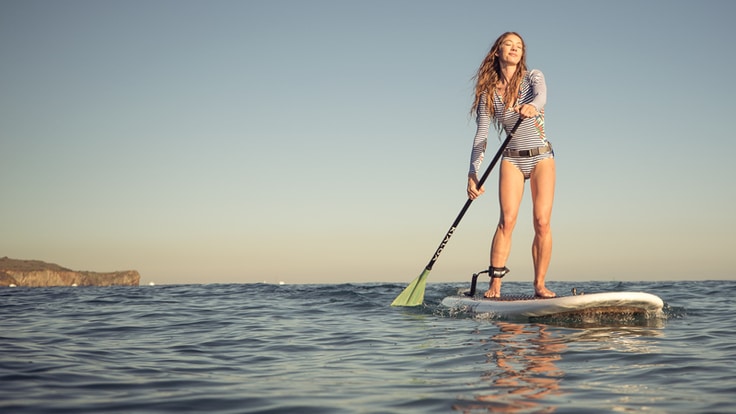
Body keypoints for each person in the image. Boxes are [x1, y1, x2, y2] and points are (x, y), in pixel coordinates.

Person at [466, 32, 556, 299]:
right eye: (509, 44)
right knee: (507, 221)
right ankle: (495, 286)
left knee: (542, 222)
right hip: (512, 159)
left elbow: (542, 97)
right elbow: (481, 135)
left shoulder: (533, 77)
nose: (514, 48)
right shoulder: (489, 93)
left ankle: (539, 285)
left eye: (519, 46)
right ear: (498, 51)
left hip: (541, 157)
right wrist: (473, 173)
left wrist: (532, 107)